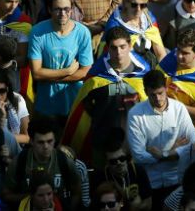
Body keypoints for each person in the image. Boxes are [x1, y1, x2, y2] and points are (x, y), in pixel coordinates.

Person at [63, 27, 151, 166]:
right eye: (114, 48)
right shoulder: (95, 77)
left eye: (122, 47)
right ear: (108, 49)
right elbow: (83, 109)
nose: (119, 53)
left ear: (130, 46)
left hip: (135, 142)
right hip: (102, 143)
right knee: (102, 184)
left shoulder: (144, 75)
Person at [126, 70, 195, 207]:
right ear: (146, 92)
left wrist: (163, 154)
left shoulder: (179, 109)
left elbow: (193, 144)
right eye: (153, 95)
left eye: (160, 93)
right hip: (150, 184)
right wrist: (170, 153)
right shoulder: (135, 114)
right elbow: (138, 155)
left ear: (166, 88)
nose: (158, 98)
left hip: (178, 181)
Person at [28, 0, 93, 117]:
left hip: (74, 104)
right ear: (49, 10)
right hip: (45, 106)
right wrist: (68, 71)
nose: (62, 13)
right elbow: (36, 73)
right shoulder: (37, 32)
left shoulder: (82, 32)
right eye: (57, 9)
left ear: (72, 9)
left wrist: (50, 77)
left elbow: (84, 72)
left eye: (66, 9)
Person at [3, 116, 82, 209]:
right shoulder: (20, 162)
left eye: (49, 141)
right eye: (41, 142)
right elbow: (6, 195)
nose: (46, 146)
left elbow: (77, 192)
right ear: (31, 141)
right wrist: (31, 197)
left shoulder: (64, 161)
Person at [103, 0, 167, 68]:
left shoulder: (149, 18)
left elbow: (161, 53)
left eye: (143, 5)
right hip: (126, 70)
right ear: (125, 2)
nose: (139, 9)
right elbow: (113, 59)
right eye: (134, 5)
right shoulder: (114, 25)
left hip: (149, 64)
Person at [95, 134, 153, 211]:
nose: (119, 163)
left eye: (122, 158)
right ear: (107, 163)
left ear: (126, 158)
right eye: (113, 161)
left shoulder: (138, 170)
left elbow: (148, 204)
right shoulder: (101, 177)